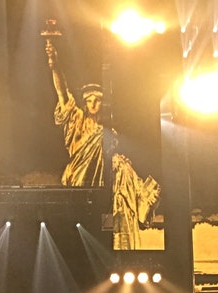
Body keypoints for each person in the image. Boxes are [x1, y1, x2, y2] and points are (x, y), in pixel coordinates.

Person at [44, 28, 159, 250]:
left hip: (102, 183)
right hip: (80, 178)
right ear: (85, 103)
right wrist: (54, 63)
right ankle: (142, 199)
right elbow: (62, 91)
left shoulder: (109, 130)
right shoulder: (76, 119)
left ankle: (141, 203)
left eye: (98, 100)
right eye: (89, 100)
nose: (94, 104)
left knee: (123, 166)